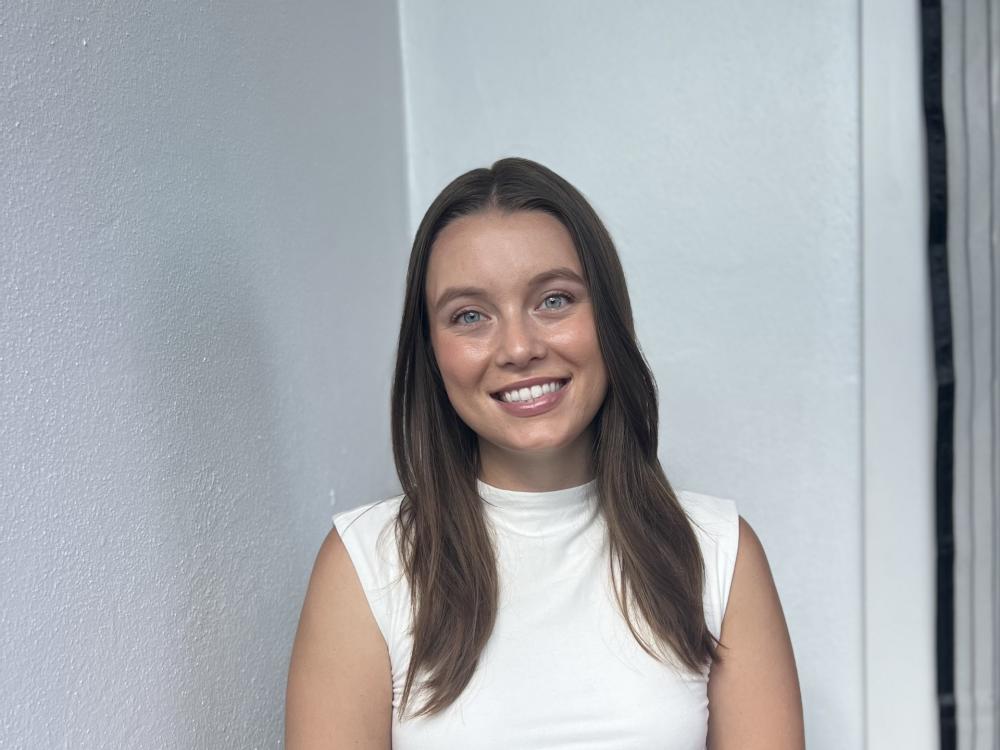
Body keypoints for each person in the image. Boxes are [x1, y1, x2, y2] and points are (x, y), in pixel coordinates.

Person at [285, 157, 805, 749]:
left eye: (554, 300)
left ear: (607, 317)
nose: (518, 347)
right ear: (430, 352)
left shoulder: (718, 552)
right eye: (470, 316)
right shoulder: (367, 564)